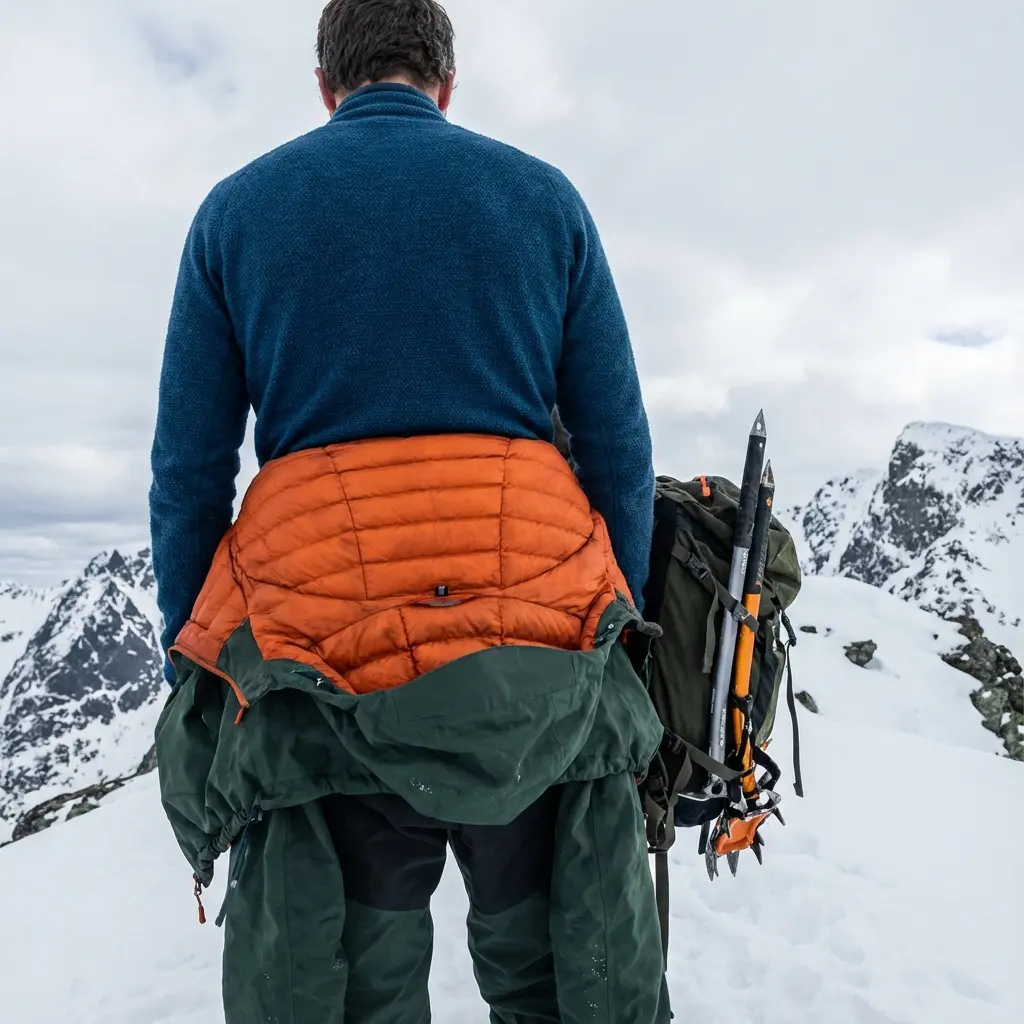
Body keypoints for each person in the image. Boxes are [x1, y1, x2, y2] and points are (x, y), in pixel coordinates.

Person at [150, 2, 668, 1021]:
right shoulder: (543, 199)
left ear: (324, 85)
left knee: (350, 988)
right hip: (541, 660)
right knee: (563, 977)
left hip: (322, 672)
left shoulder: (235, 214)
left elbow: (189, 472)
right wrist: (621, 639)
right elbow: (616, 443)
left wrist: (201, 680)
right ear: (446, 82)